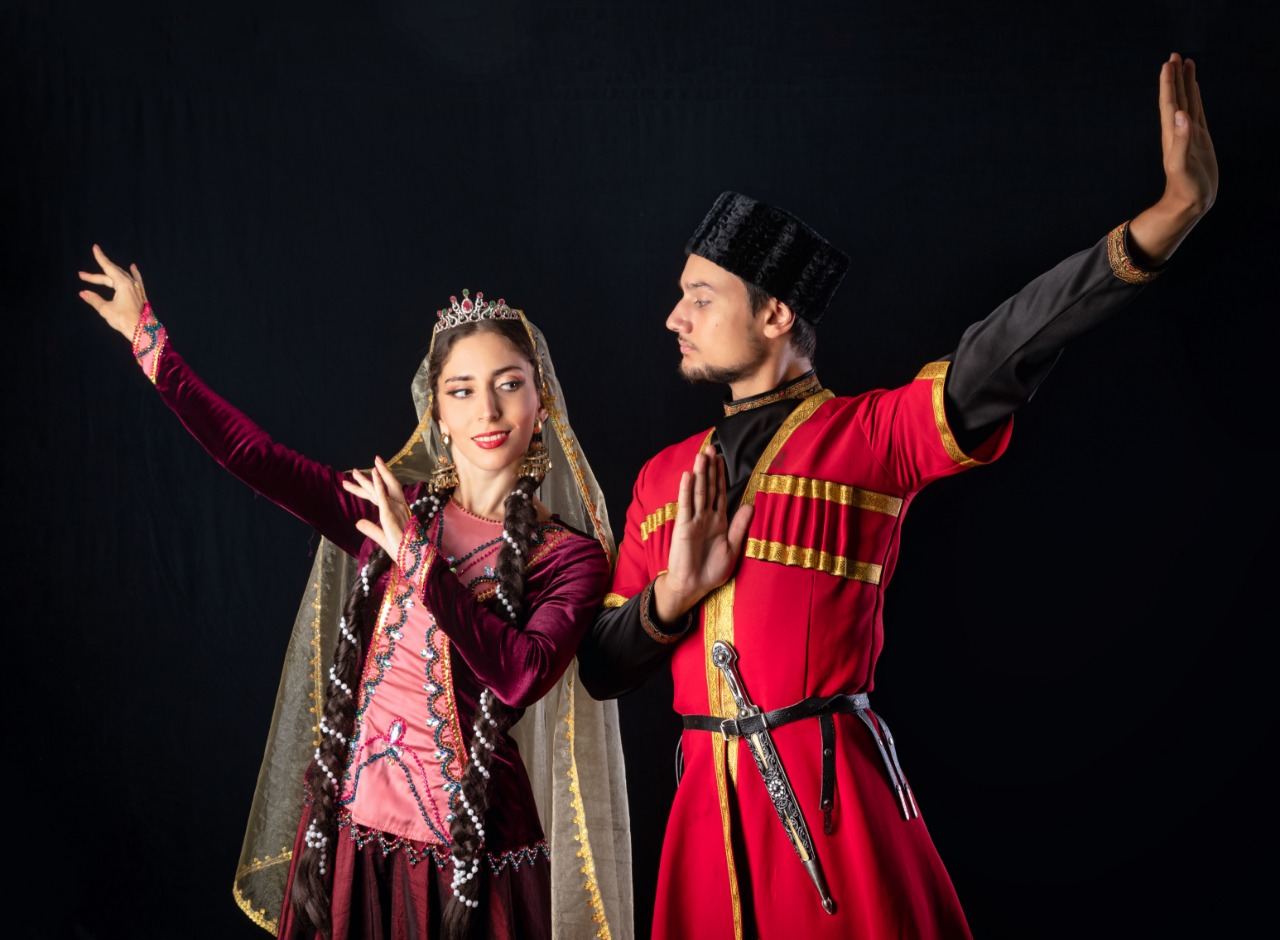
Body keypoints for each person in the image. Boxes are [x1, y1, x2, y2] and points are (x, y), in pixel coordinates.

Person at [577, 52, 1217, 939]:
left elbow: (1007, 345)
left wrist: (1163, 222)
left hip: (832, 803)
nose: (673, 318)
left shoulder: (868, 437)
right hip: (705, 823)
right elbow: (601, 668)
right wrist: (672, 596)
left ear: (775, 315)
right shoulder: (662, 477)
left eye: (700, 297)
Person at [78, 263, 634, 939]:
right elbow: (255, 457)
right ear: (438, 415)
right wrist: (149, 343)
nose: (487, 411)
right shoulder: (388, 509)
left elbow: (520, 674)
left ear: (539, 401)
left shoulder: (570, 556)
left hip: (473, 859)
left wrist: (416, 560)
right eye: (462, 391)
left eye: (508, 385)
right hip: (351, 843)